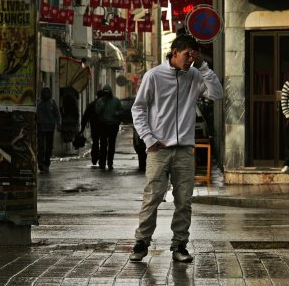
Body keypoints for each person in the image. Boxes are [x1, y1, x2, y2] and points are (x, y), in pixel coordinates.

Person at [129, 34, 223, 262]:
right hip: (159, 149)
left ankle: (180, 246)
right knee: (152, 197)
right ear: (174, 53)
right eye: (186, 55)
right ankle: (141, 242)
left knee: (184, 200)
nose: (190, 60)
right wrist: (149, 139)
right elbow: (138, 109)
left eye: (193, 56)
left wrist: (203, 67)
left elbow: (217, 94)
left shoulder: (194, 75)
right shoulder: (154, 76)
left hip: (184, 150)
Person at [95, 84, 122, 170]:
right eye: (105, 92)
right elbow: (97, 112)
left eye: (107, 92)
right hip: (103, 125)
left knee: (111, 145)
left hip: (113, 125)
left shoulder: (116, 101)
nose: (106, 94)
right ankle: (102, 162)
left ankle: (110, 162)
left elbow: (121, 110)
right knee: (103, 145)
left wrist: (117, 113)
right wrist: (103, 102)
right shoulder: (100, 101)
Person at [37, 86, 62, 172]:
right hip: (40, 128)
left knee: (48, 147)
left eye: (48, 92)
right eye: (45, 92)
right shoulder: (38, 102)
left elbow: (56, 114)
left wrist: (58, 124)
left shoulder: (52, 102)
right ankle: (40, 162)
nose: (46, 94)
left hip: (50, 128)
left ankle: (46, 163)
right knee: (40, 146)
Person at [80, 89, 104, 166]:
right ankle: (101, 159)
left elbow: (85, 117)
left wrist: (82, 128)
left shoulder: (91, 105)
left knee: (95, 142)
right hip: (104, 126)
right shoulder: (105, 104)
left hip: (94, 127)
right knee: (103, 143)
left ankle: (94, 158)